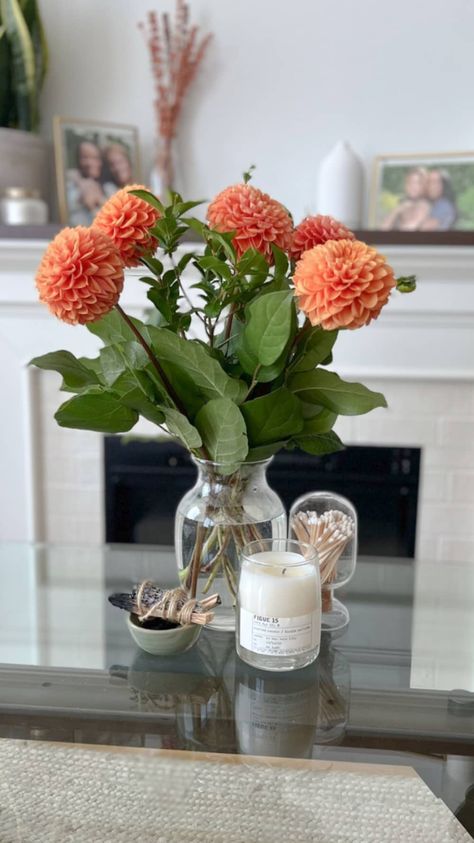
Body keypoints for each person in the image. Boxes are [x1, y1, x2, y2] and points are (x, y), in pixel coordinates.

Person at [66, 138, 108, 225]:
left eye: (95, 158)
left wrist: (99, 199)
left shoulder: (109, 188)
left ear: (101, 161)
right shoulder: (70, 186)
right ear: (78, 160)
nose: (90, 163)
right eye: (85, 157)